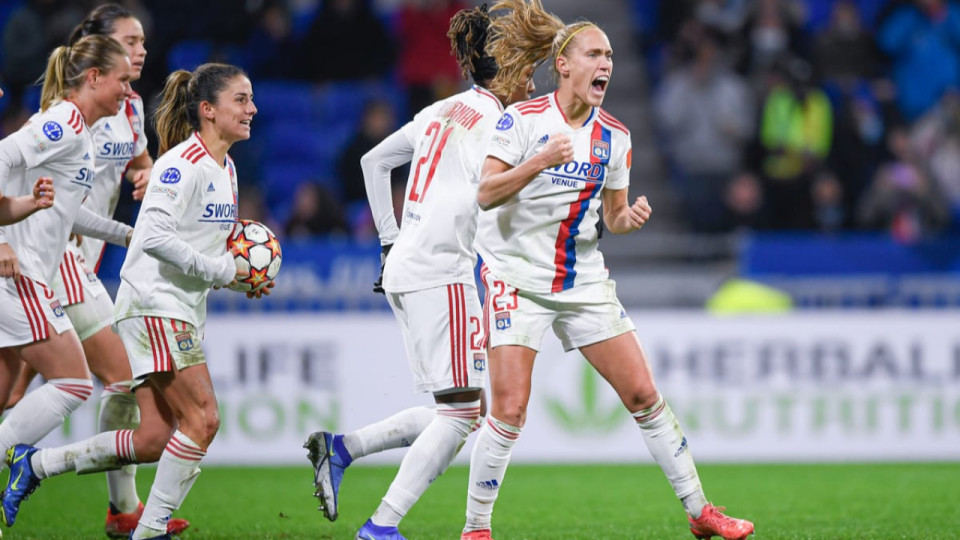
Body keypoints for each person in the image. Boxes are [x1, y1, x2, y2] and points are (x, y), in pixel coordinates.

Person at [459, 2, 755, 540]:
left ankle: (700, 513)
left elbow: (613, 217)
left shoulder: (615, 136)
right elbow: (484, 193)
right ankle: (476, 529)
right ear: (564, 64)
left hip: (581, 279)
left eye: (611, 55)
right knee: (510, 408)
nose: (607, 64)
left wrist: (629, 217)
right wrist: (538, 163)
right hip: (512, 276)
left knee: (644, 394)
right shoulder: (521, 120)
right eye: (595, 53)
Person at [0, 63, 266, 540]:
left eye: (250, 100)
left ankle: (36, 464)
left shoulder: (226, 168)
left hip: (178, 309)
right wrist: (219, 270)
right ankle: (149, 531)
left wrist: (241, 275)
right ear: (208, 110)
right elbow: (157, 238)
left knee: (154, 439)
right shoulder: (179, 165)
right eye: (241, 100)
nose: (252, 109)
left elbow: (211, 248)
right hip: (153, 306)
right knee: (203, 420)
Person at [304, 5, 535, 539]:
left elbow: (372, 163)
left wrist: (388, 239)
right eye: (524, 67)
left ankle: (343, 449)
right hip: (442, 271)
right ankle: (381, 527)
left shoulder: (440, 110)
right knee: (460, 417)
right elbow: (490, 194)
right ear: (501, 69)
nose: (530, 78)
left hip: (408, 264)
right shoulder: (499, 123)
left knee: (459, 409)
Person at [2, 6, 190, 536]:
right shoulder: (65, 116)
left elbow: (124, 174)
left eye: (145, 40)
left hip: (66, 258)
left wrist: (139, 209)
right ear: (98, 60)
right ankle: (119, 508)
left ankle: (120, 510)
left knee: (14, 391)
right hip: (48, 263)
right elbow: (12, 164)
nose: (143, 50)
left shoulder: (122, 113)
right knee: (93, 379)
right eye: (131, 40)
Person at [0, 33, 134, 523]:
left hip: (28, 269)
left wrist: (128, 235)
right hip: (22, 272)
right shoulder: (63, 122)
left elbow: (68, 213)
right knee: (75, 382)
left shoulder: (78, 131)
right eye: (121, 79)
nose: (127, 89)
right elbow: (2, 157)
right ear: (94, 77)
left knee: (7, 394)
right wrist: (1, 242)